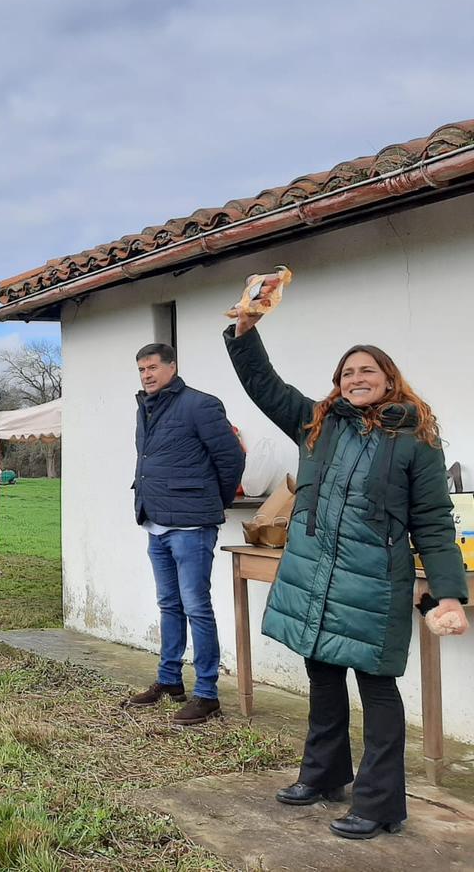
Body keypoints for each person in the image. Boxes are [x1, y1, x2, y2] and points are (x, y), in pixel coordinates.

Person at [225, 303, 468, 839]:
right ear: (338, 383)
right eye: (348, 372)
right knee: (323, 675)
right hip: (316, 576)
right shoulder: (317, 424)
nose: (357, 378)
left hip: (375, 584)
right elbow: (264, 385)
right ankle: (324, 774)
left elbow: (433, 520)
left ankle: (380, 805)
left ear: (388, 379)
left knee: (377, 690)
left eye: (368, 371)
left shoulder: (416, 440)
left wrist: (448, 592)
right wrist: (244, 333)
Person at [124, 343, 244, 725]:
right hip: (155, 522)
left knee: (196, 607)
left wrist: (213, 502)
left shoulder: (200, 405)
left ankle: (207, 694)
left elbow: (232, 458)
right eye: (142, 369)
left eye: (153, 367)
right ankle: (170, 680)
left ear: (172, 367)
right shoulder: (145, 407)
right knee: (169, 605)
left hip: (192, 527)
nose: (147, 375)